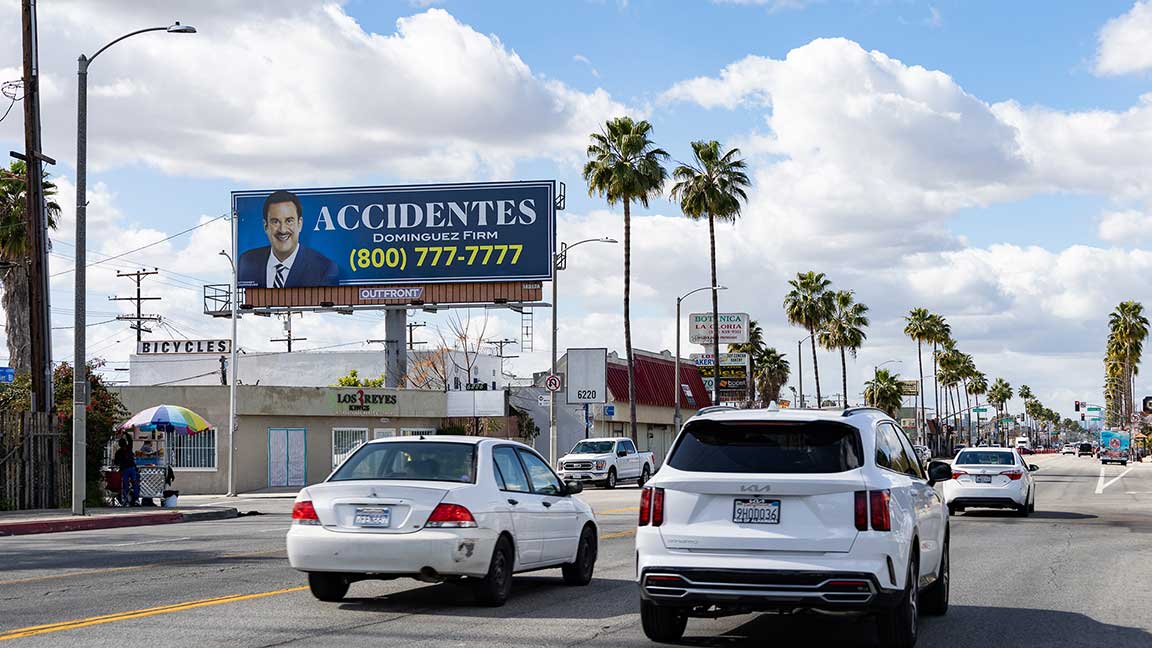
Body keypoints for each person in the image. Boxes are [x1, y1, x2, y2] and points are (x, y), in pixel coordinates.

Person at [236, 190, 338, 288]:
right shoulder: (246, 261)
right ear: (266, 226)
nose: (282, 230)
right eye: (275, 221)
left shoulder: (324, 269)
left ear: (300, 224)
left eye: (289, 221)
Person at [113, 437, 140, 506]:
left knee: (125, 485)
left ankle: (126, 499)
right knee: (135, 483)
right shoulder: (129, 448)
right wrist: (126, 434)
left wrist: (120, 463)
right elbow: (130, 440)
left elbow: (116, 462)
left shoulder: (118, 452)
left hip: (124, 469)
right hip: (132, 468)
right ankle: (136, 499)